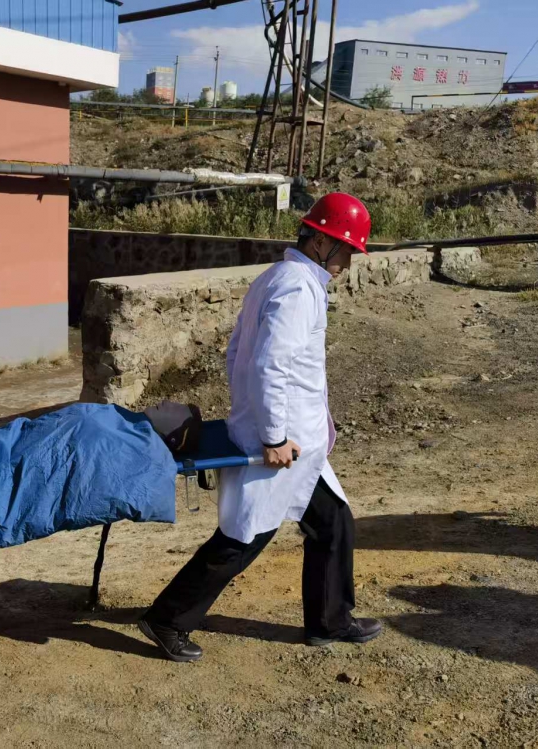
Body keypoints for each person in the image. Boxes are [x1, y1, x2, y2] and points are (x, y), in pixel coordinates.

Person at [138, 193, 383, 662]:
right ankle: (167, 618)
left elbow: (236, 354)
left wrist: (253, 415)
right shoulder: (297, 289)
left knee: (333, 523)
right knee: (243, 537)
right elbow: (270, 365)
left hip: (298, 442)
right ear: (320, 242)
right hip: (281, 443)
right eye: (347, 249)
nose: (349, 262)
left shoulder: (278, 277)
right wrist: (271, 435)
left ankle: (330, 621)